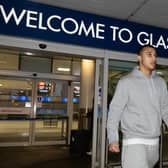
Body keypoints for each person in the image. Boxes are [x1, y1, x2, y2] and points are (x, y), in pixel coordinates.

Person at [107, 45, 168, 168]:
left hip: (155, 142)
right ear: (139, 58)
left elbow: (165, 109)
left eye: (155, 55)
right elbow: (115, 111)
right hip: (134, 140)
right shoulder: (126, 81)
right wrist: (113, 138)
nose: (153, 58)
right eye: (149, 54)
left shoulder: (160, 82)